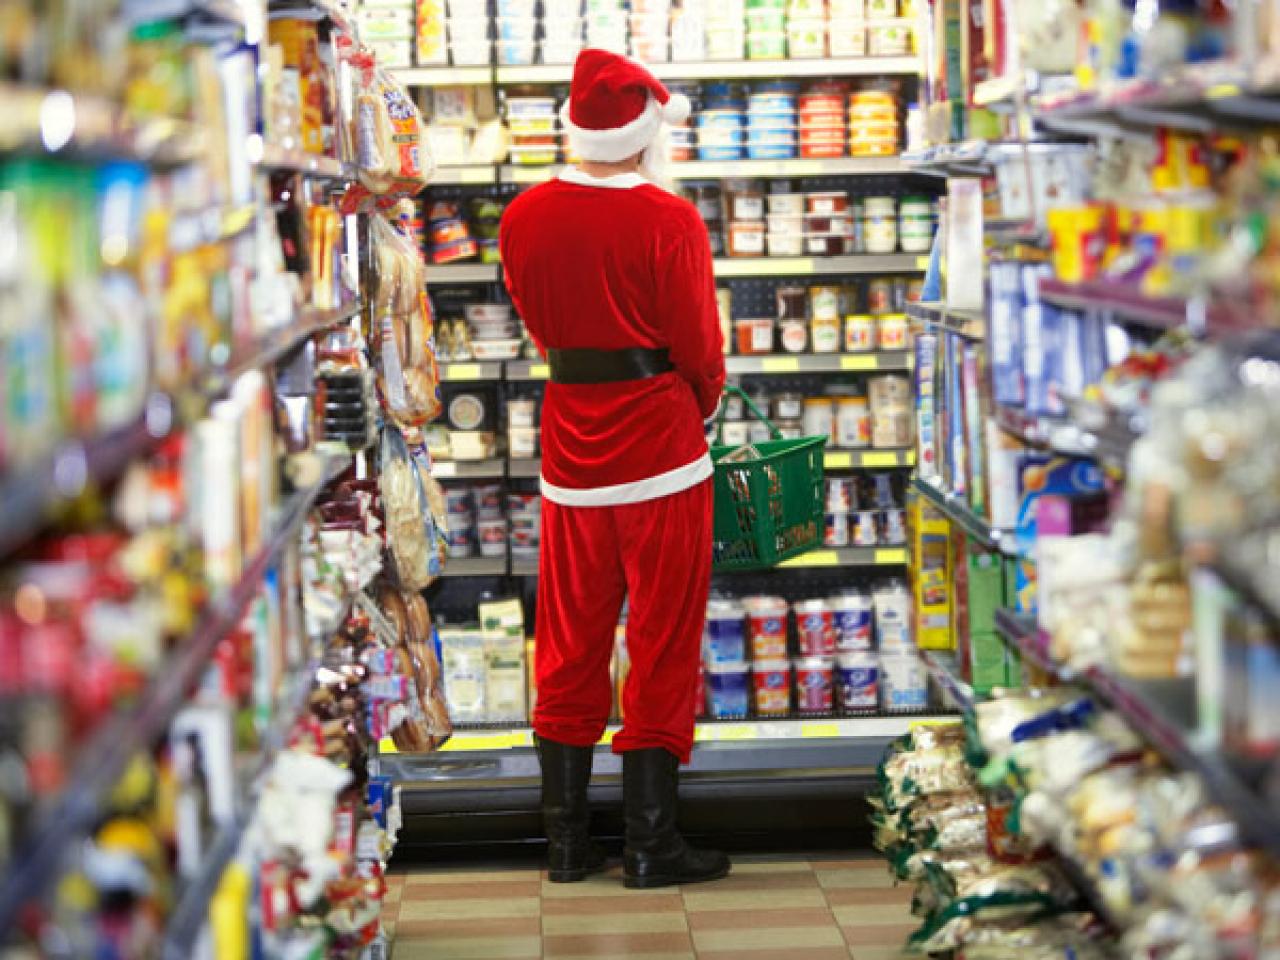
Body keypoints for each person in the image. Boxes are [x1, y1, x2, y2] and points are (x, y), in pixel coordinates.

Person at [498, 49, 729, 889]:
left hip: (571, 448)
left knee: (568, 638)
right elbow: (700, 348)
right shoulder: (669, 220)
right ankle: (650, 844)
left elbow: (538, 326)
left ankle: (565, 842)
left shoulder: (522, 217)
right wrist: (704, 400)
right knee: (662, 640)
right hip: (662, 454)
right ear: (644, 133)